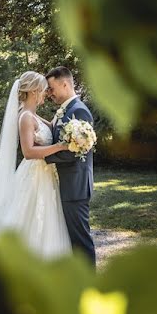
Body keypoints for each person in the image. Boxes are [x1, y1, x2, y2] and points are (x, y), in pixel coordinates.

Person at [0, 71, 72, 259]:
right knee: (31, 219)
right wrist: (59, 147)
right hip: (34, 175)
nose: (46, 94)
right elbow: (28, 152)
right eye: (44, 90)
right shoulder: (25, 117)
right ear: (34, 91)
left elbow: (51, 128)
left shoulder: (34, 115)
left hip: (46, 175)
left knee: (47, 220)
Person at [44, 66, 96, 268]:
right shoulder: (65, 110)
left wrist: (42, 157)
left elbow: (73, 152)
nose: (49, 93)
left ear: (64, 83)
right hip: (67, 184)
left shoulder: (79, 110)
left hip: (75, 186)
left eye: (51, 87)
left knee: (80, 240)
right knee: (71, 239)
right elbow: (56, 135)